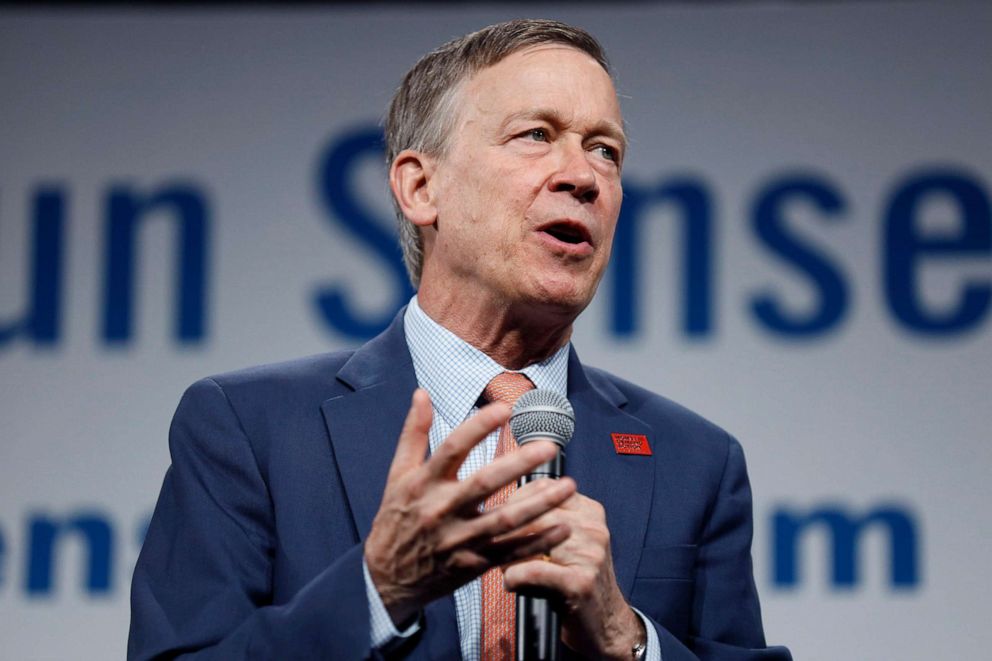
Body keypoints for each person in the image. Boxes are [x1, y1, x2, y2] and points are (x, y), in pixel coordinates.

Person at [129, 19, 791, 661]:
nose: (584, 176)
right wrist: (378, 589)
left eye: (606, 150)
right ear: (421, 186)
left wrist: (628, 639)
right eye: (537, 134)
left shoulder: (696, 461)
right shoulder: (250, 428)